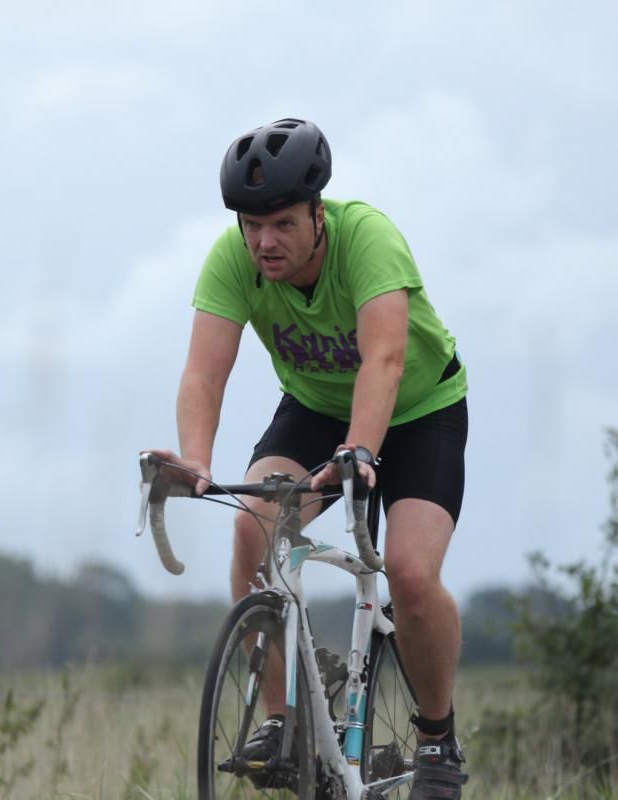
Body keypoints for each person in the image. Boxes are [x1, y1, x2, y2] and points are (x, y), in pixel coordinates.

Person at [148, 118, 469, 798]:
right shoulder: (231, 259)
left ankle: (438, 739)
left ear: (318, 214)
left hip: (419, 410)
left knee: (409, 575)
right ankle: (280, 721)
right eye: (251, 225)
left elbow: (383, 358)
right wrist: (198, 463)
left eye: (283, 224)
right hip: (315, 409)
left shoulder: (369, 239)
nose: (264, 242)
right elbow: (204, 374)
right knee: (252, 525)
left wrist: (362, 450)